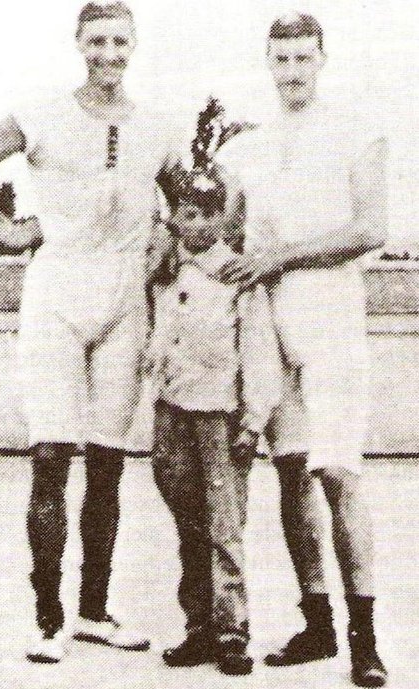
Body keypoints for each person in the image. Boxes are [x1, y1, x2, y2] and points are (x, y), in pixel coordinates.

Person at [0, 1, 183, 663]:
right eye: (97, 41)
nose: (108, 53)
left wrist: (169, 242)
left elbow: (197, 198)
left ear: (134, 45)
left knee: (109, 466)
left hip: (124, 298)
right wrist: (2, 231)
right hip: (56, 291)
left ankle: (93, 610)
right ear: (79, 45)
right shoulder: (44, 113)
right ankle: (47, 617)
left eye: (119, 41)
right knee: (52, 457)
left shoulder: (158, 127)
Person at [215, 12, 388, 688]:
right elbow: (224, 235)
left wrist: (281, 254)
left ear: (322, 59)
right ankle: (315, 620)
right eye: (281, 59)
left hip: (330, 316)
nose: (292, 71)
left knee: (338, 472)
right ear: (268, 62)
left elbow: (370, 226)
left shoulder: (357, 131)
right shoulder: (246, 149)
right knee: (289, 472)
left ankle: (364, 638)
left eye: (302, 58)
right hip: (268, 321)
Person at [148, 133, 283, 675]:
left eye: (209, 214)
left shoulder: (236, 280)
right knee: (188, 522)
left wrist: (253, 422)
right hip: (173, 414)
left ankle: (232, 630)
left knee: (225, 525)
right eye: (187, 213)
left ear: (225, 221)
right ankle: (198, 625)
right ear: (175, 219)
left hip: (221, 419)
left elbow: (258, 353)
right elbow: (158, 343)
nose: (198, 224)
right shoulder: (167, 275)